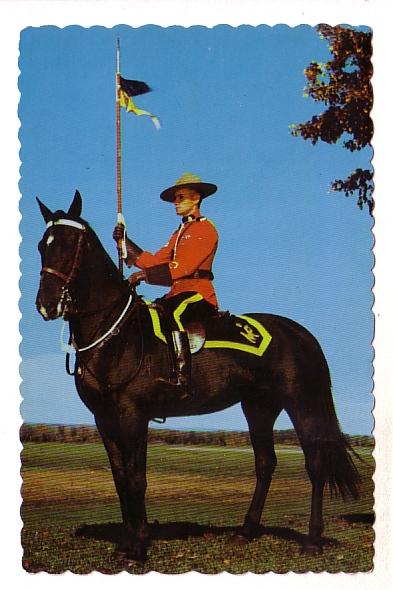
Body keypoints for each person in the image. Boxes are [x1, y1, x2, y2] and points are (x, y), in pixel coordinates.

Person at [113, 172, 219, 397]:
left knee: (175, 314)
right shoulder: (178, 234)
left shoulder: (205, 229)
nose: (175, 202)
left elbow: (184, 268)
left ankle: (182, 378)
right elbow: (154, 261)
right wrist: (125, 242)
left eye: (180, 197)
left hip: (198, 293)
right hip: (177, 293)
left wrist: (143, 276)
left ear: (196, 198)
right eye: (175, 198)